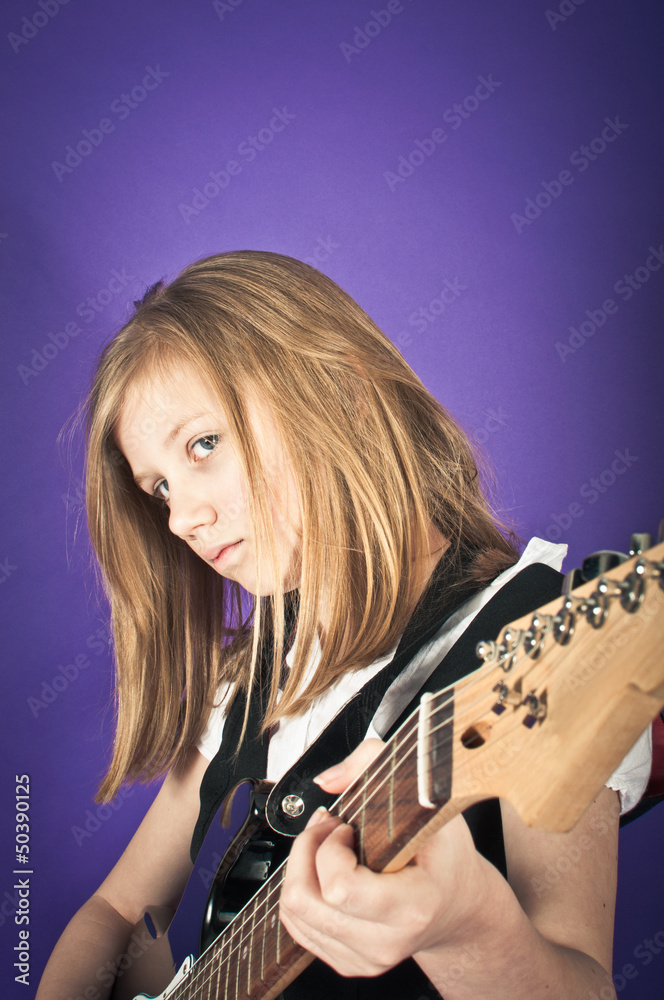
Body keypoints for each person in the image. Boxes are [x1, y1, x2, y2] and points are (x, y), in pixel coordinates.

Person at [36, 250, 635, 1000]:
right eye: (159, 488)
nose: (182, 518)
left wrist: (467, 927)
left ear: (342, 390)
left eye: (204, 445)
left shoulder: (538, 646)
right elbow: (120, 908)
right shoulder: (252, 684)